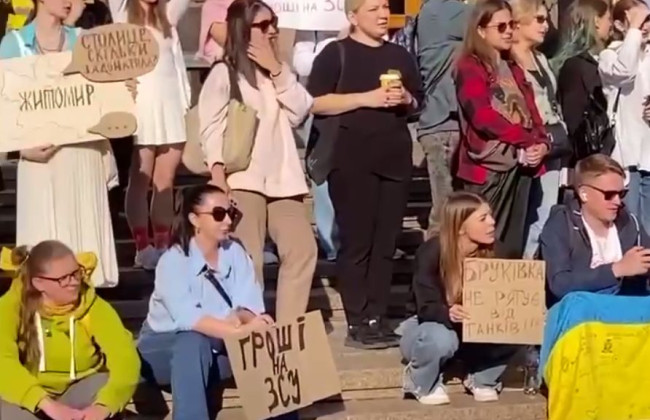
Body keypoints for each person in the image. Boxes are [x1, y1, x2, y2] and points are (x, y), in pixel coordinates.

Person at [308, 0, 423, 349]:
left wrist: (405, 98)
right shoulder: (335, 53)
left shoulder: (400, 56)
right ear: (353, 16)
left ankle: (378, 316)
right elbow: (314, 102)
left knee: (386, 244)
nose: (383, 14)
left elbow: (418, 102)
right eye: (373, 8)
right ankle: (357, 320)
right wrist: (368, 98)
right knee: (358, 243)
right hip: (350, 160)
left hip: (394, 159)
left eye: (385, 7)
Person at [199, 0, 316, 323]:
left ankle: (288, 332)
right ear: (243, 29)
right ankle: (253, 332)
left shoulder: (277, 71)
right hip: (243, 179)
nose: (272, 30)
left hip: (285, 180)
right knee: (248, 260)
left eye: (273, 23)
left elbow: (301, 109)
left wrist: (277, 69)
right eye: (263, 26)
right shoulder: (225, 71)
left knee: (302, 250)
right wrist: (218, 176)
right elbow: (210, 127)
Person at [0, 0, 120, 288]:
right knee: (44, 260)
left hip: (84, 156)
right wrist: (21, 150)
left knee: (84, 253)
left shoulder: (85, 41)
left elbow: (107, 99)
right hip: (41, 163)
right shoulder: (12, 44)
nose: (70, 1)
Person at [137, 184, 273, 420]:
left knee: (264, 344)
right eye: (219, 214)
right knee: (193, 341)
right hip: (162, 350)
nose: (228, 220)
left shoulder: (236, 253)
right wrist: (236, 330)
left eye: (231, 213)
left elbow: (250, 306)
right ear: (194, 219)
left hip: (218, 347)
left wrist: (246, 319)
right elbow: (189, 319)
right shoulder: (173, 262)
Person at [0, 240, 140, 420]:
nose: (73, 282)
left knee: (104, 384)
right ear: (39, 283)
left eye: (75, 273)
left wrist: (104, 406)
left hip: (79, 392)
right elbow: (3, 363)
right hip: (32, 399)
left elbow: (125, 360)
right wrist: (46, 404)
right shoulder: (9, 307)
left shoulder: (95, 307)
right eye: (63, 278)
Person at [400, 192, 516, 405]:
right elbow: (425, 306)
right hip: (427, 326)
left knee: (519, 329)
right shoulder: (432, 251)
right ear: (461, 227)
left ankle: (482, 378)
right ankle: (421, 383)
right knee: (441, 338)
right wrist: (448, 312)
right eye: (483, 219)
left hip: (474, 332)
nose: (492, 222)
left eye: (490, 216)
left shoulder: (501, 251)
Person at [454, 0, 549, 259]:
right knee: (482, 244)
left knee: (511, 246)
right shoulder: (470, 65)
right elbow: (482, 116)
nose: (509, 31)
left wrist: (542, 143)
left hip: (521, 168)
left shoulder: (514, 66)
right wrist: (526, 140)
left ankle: (503, 298)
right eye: (501, 26)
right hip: (488, 169)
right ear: (482, 30)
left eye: (512, 25)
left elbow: (533, 113)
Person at [108, 0, 192, 271]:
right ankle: (142, 247)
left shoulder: (168, 15)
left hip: (171, 105)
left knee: (165, 180)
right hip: (139, 109)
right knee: (140, 178)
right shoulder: (123, 15)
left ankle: (163, 244)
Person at [540, 154, 650, 307]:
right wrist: (616, 270)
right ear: (584, 193)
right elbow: (559, 284)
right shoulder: (561, 224)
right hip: (578, 319)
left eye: (621, 194)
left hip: (625, 316)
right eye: (609, 195)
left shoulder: (630, 223)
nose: (617, 201)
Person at [510, 0, 567, 258]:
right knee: (521, 218)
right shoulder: (506, 59)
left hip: (551, 145)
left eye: (546, 19)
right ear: (518, 23)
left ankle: (528, 279)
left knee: (543, 217)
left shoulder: (542, 58)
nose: (546, 26)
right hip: (523, 147)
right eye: (539, 20)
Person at [416, 0, 470, 234]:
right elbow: (490, 19)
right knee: (445, 212)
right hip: (443, 125)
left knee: (459, 211)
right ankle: (433, 265)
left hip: (455, 123)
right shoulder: (438, 9)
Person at [599, 0, 650, 233]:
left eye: (648, 20)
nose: (645, 26)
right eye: (639, 21)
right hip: (627, 156)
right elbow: (624, 73)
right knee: (631, 229)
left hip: (648, 155)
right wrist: (633, 32)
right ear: (620, 25)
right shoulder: (610, 56)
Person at [293, 29, 340, 261]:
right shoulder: (311, 23)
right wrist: (336, 45)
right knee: (322, 175)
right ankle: (331, 242)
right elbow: (301, 64)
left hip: (354, 103)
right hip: (317, 106)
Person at [551, 0, 611, 151]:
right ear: (596, 21)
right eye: (608, 19)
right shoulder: (576, 66)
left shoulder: (595, 60)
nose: (611, 25)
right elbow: (574, 118)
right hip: (588, 156)